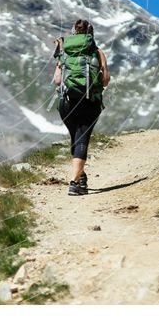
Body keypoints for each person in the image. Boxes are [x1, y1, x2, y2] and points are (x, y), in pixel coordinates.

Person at [53, 19, 110, 196]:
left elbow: (57, 80)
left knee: (75, 138)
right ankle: (74, 183)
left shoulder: (65, 53)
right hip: (89, 102)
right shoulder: (97, 52)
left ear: (73, 34)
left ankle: (81, 176)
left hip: (66, 104)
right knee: (82, 139)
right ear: (91, 35)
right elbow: (105, 80)